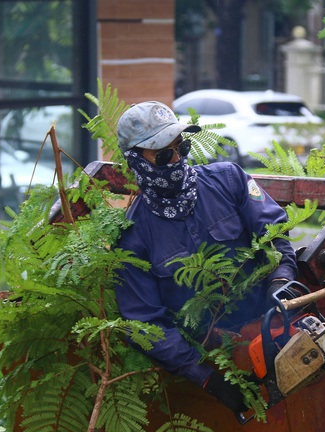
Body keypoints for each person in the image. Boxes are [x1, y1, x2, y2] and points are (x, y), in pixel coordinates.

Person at [114, 101, 298, 415]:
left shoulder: (229, 180)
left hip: (275, 332)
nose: (176, 159)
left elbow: (273, 232)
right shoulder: (132, 237)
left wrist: (282, 277)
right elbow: (144, 324)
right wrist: (207, 378)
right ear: (137, 161)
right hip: (215, 361)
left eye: (180, 147)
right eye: (162, 155)